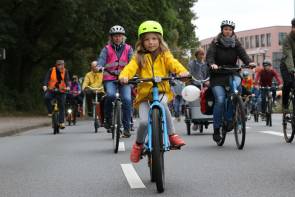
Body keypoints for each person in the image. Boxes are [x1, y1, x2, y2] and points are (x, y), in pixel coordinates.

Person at [119, 20, 189, 163]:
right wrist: (124, 76)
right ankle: (138, 145)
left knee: (163, 105)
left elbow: (174, 64)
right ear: (142, 42)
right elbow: (130, 67)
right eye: (147, 40)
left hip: (162, 91)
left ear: (160, 40)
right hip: (144, 96)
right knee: (144, 122)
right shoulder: (138, 56)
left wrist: (182, 72)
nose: (151, 42)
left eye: (154, 39)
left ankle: (171, 135)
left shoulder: (165, 55)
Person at [206, 20, 254, 142]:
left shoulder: (236, 43)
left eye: (230, 29)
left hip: (233, 72)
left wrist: (249, 62)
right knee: (220, 100)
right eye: (225, 29)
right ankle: (217, 129)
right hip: (218, 75)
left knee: (236, 92)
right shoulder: (215, 43)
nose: (228, 31)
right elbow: (210, 56)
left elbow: (243, 54)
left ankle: (232, 116)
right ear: (222, 30)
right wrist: (212, 64)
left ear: (233, 31)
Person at [97, 25, 133, 137]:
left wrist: (134, 72)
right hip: (110, 78)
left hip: (124, 79)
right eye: (115, 36)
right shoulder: (106, 49)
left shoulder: (128, 48)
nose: (117, 38)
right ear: (111, 38)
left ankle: (127, 128)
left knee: (127, 99)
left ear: (123, 37)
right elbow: (101, 60)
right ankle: (108, 120)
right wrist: (99, 66)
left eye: (119, 36)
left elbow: (132, 62)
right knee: (111, 95)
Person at [43, 60, 70, 129]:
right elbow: (47, 78)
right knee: (46, 97)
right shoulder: (51, 70)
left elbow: (67, 80)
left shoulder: (65, 71)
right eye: (60, 65)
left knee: (61, 106)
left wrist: (68, 87)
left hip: (62, 91)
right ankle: (50, 111)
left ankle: (61, 122)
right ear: (57, 65)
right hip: (52, 89)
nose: (62, 66)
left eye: (63, 65)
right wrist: (45, 85)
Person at [188, 47, 209, 130]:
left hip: (204, 83)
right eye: (200, 54)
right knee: (194, 99)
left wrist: (207, 81)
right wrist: (191, 78)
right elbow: (190, 73)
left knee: (208, 96)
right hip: (195, 83)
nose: (202, 56)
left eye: (203, 54)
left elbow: (208, 74)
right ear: (196, 55)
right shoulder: (191, 63)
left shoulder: (206, 64)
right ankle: (195, 118)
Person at [280, 18, 295, 112]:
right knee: (289, 83)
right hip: (286, 65)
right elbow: (288, 55)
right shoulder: (287, 39)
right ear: (293, 28)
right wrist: (292, 69)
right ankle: (285, 105)